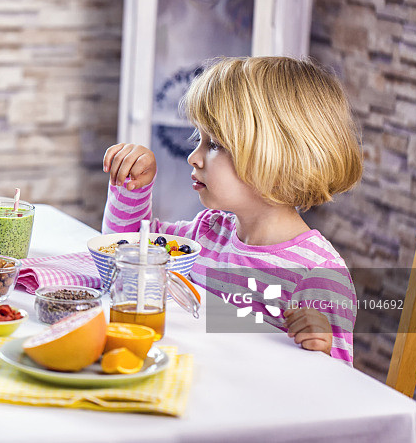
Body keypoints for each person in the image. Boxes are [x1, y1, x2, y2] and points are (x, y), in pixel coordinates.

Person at [102, 56, 363, 364]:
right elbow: (126, 251)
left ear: (277, 161)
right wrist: (133, 186)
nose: (193, 157)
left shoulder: (318, 275)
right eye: (198, 139)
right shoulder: (206, 234)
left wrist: (321, 348)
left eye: (214, 145)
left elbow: (338, 386)